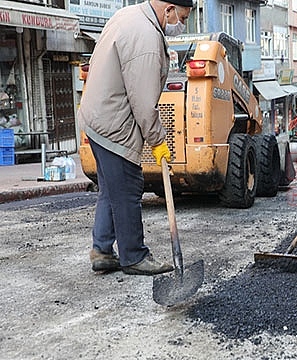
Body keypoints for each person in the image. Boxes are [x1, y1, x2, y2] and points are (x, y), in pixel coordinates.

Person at [78, 0, 194, 275]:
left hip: (97, 118)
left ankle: (103, 250)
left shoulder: (128, 16)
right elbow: (144, 102)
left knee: (111, 189)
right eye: (183, 17)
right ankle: (134, 256)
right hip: (114, 125)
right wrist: (158, 140)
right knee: (129, 188)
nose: (182, 24)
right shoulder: (146, 36)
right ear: (168, 9)